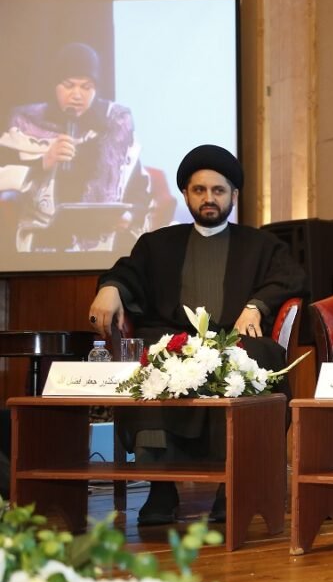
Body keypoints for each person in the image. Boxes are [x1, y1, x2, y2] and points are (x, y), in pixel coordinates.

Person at [88, 144, 306, 525]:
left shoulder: (260, 244)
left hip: (232, 341)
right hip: (173, 339)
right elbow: (127, 273)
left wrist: (256, 305)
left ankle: (231, 487)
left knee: (260, 358)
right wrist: (110, 288)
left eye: (218, 190)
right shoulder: (157, 244)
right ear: (186, 195)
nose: (209, 198)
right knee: (151, 361)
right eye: (199, 190)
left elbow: (292, 277)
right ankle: (161, 488)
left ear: (233, 195)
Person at [4, 43, 151, 254]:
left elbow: (139, 189)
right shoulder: (26, 123)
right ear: (55, 85)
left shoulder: (115, 126)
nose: (77, 95)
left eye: (86, 87)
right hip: (43, 239)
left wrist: (130, 216)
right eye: (69, 85)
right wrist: (44, 162)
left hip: (104, 241)